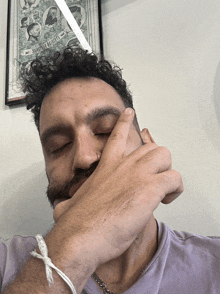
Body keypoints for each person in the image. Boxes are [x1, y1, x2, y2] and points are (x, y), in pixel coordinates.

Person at [1, 48, 220, 294]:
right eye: (58, 146)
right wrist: (73, 245)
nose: (83, 157)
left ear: (148, 145)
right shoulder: (6, 264)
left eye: (106, 131)